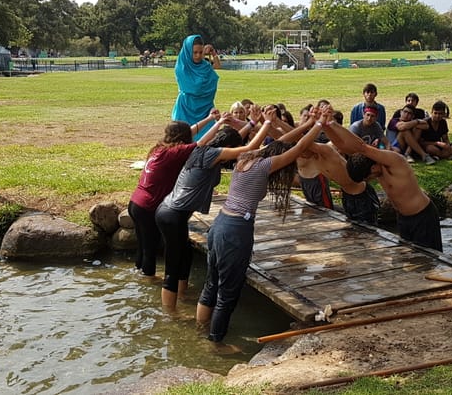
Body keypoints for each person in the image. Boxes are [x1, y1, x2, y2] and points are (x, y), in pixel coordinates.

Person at [196, 116, 324, 344]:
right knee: (227, 295)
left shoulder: (245, 158)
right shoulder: (266, 165)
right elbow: (299, 148)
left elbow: (281, 142)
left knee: (211, 284)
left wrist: (307, 124)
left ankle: (200, 330)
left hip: (219, 225)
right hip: (236, 231)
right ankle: (215, 344)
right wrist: (320, 125)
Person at [154, 107, 279, 311]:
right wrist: (265, 124)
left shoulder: (204, 148)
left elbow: (232, 140)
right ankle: (169, 314)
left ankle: (182, 300)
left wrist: (250, 123)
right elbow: (246, 150)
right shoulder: (211, 154)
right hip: (173, 215)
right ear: (227, 147)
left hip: (167, 211)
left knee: (184, 257)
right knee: (173, 266)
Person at [321, 107, 442, 251]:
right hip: (403, 219)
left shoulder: (395, 162)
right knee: (407, 259)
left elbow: (361, 146)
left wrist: (333, 124)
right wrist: (324, 126)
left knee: (429, 261)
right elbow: (342, 145)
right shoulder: (369, 163)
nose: (371, 180)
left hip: (423, 217)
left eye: (369, 177)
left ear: (372, 169)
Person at [128, 109, 221, 276]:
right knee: (150, 249)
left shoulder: (159, 148)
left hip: (135, 203)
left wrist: (209, 119)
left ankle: (138, 275)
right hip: (148, 207)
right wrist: (219, 124)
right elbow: (201, 143)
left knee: (142, 246)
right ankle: (148, 283)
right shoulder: (174, 153)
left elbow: (189, 132)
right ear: (183, 139)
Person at [171, 35, 222, 140]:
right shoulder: (181, 68)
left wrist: (213, 54)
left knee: (207, 140)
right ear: (188, 51)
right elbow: (195, 88)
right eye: (195, 53)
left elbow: (215, 74)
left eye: (200, 52)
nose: (198, 56)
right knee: (182, 139)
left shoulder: (205, 66)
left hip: (205, 108)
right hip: (186, 108)